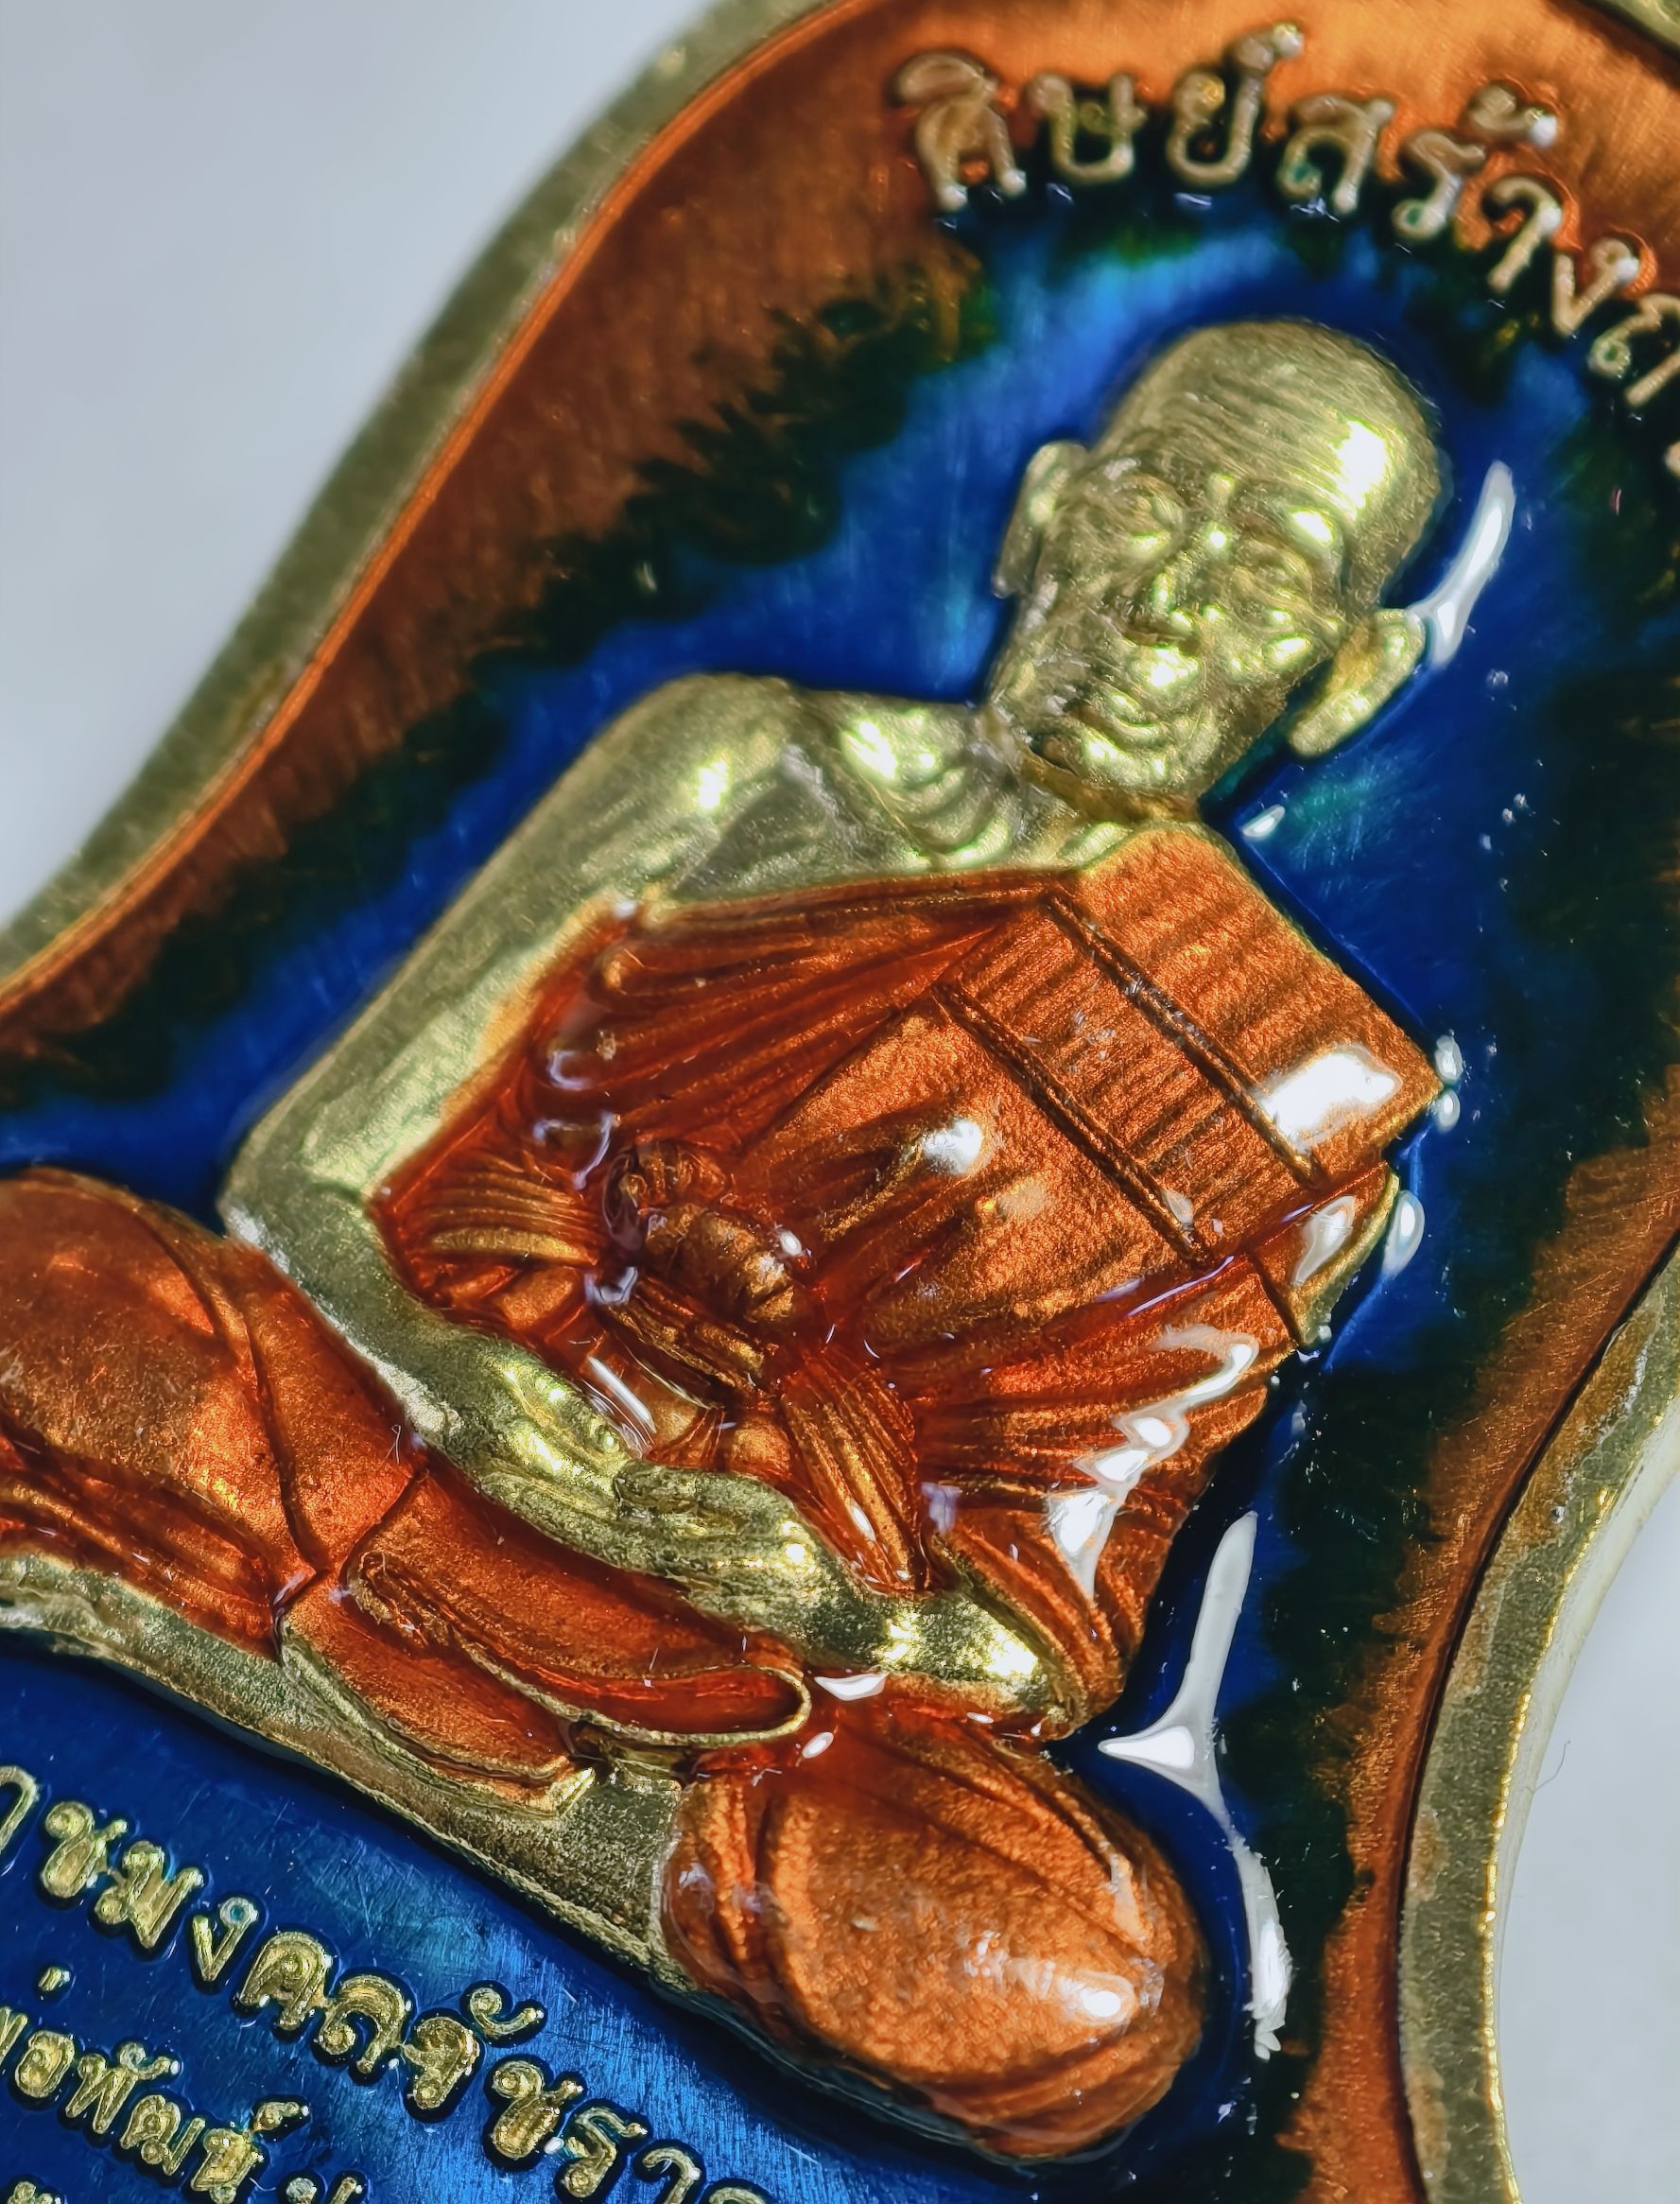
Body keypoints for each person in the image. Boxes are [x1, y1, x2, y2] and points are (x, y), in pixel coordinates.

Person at [0, 320, 1441, 2157]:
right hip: (380, 1443)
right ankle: (564, 1831)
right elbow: (308, 1172)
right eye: (1149, 512)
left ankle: (187, 1644)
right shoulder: (734, 761)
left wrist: (824, 1597)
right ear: (1043, 515)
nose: (1159, 613)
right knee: (39, 1282)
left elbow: (1040, 1645)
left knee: (1088, 1989)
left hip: (741, 1674)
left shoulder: (1272, 1096)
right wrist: (456, 1380)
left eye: (1261, 579)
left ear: (1342, 675)